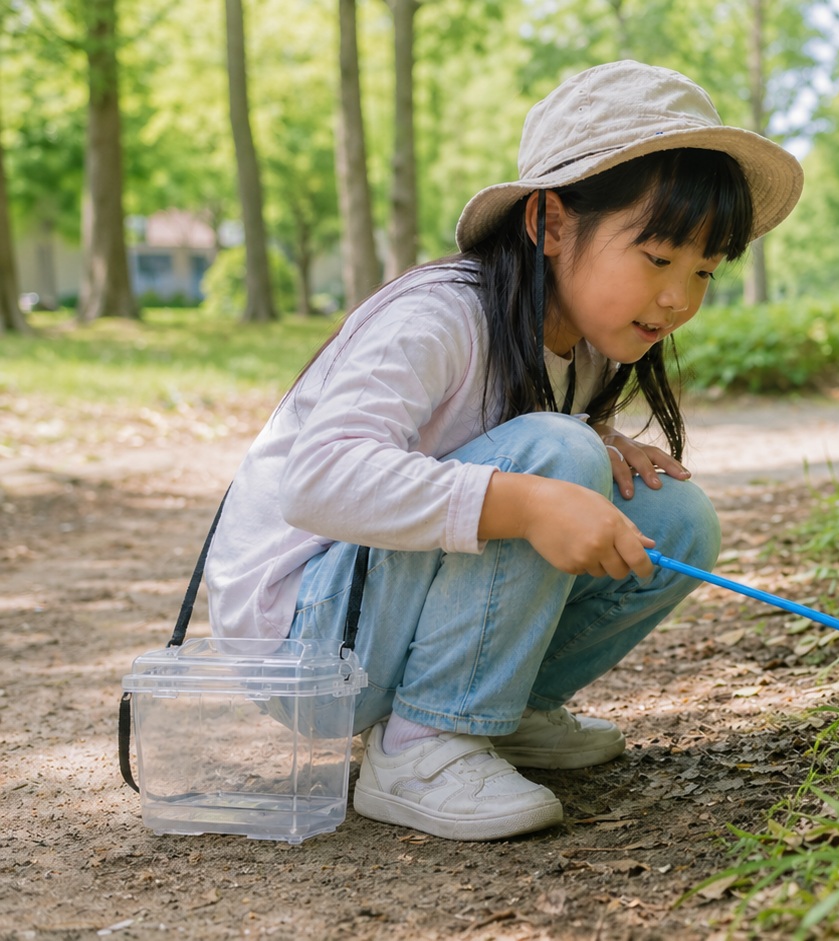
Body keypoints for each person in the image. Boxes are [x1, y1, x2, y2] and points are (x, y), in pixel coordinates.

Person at [203, 60, 802, 841]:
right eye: (658, 259)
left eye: (704, 272)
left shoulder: (589, 349)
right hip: (308, 644)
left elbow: (498, 437)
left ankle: (497, 710)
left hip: (374, 613)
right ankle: (421, 745)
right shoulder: (440, 319)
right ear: (551, 223)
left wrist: (593, 445)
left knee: (676, 517)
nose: (679, 298)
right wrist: (531, 492)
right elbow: (318, 480)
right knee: (554, 458)